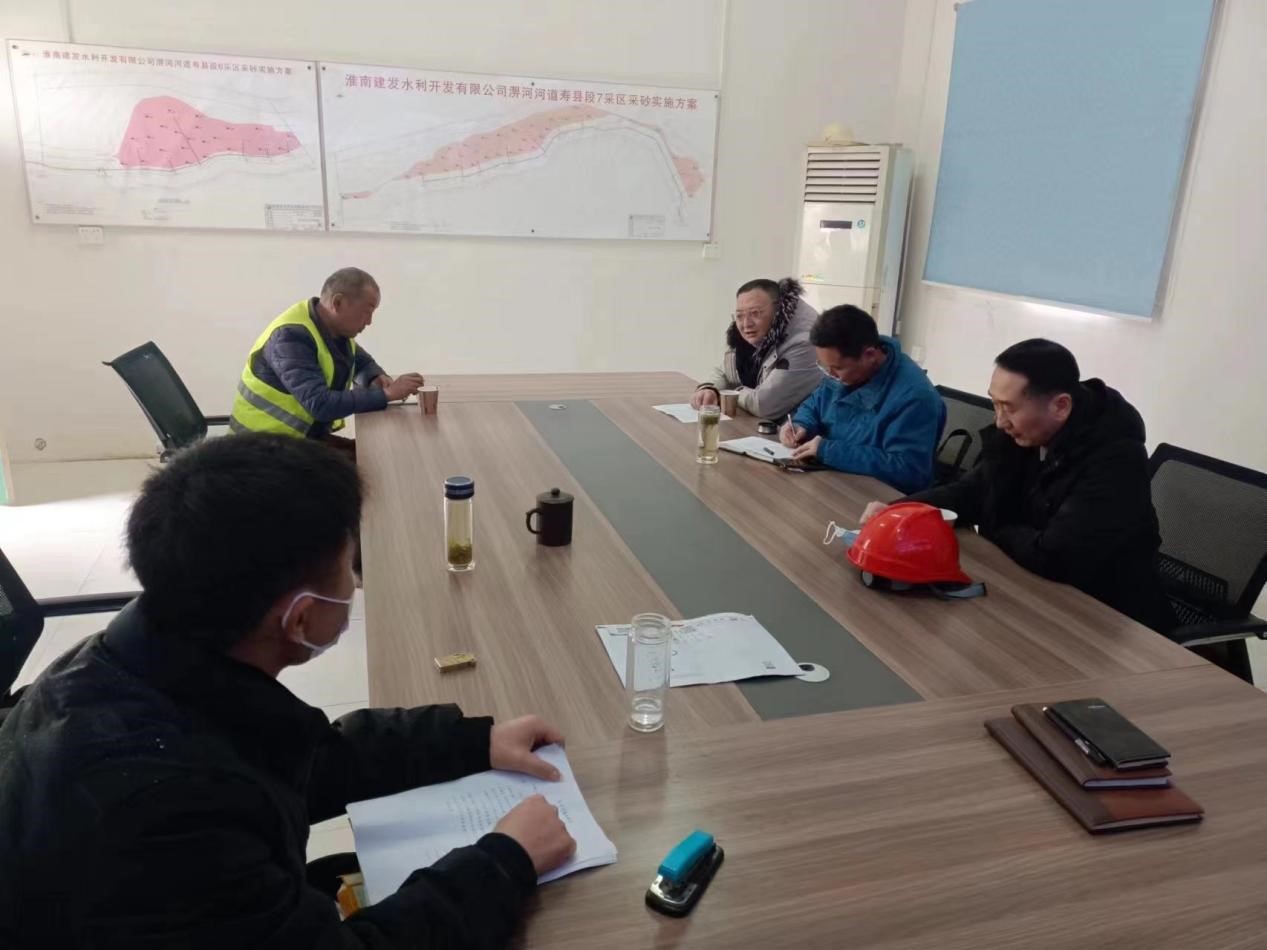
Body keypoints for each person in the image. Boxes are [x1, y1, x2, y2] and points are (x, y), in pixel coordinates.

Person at [0, 434, 575, 948]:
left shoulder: (138, 659)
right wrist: (504, 863)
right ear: (300, 618)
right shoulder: (170, 817)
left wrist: (474, 742)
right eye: (348, 568)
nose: (353, 583)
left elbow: (301, 756)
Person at [861, 338, 1175, 634]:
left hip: (1106, 619)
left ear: (1060, 406)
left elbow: (1055, 556)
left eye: (1009, 408)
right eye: (995, 404)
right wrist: (898, 512)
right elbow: (973, 491)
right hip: (1030, 592)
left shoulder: (1116, 459)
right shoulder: (1025, 433)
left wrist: (994, 524)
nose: (999, 421)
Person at [229, 267, 425, 455]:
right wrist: (387, 394)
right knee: (370, 467)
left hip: (300, 441)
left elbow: (360, 361)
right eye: (366, 311)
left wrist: (375, 376)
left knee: (373, 455)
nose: (369, 321)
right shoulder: (290, 338)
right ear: (338, 303)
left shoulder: (330, 328)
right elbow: (321, 404)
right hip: (261, 453)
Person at [780, 305, 944, 493]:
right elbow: (815, 405)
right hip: (830, 481)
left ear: (870, 355)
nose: (830, 374)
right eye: (824, 366)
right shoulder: (843, 370)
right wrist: (801, 424)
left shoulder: (915, 398)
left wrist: (829, 451)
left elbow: (909, 471)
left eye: (837, 368)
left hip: (875, 497)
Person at [690, 277, 821, 420]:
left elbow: (764, 405)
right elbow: (724, 371)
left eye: (755, 313)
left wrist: (731, 393)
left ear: (778, 309)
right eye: (739, 316)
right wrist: (710, 389)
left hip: (801, 430)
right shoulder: (758, 333)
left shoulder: (805, 341)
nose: (746, 324)